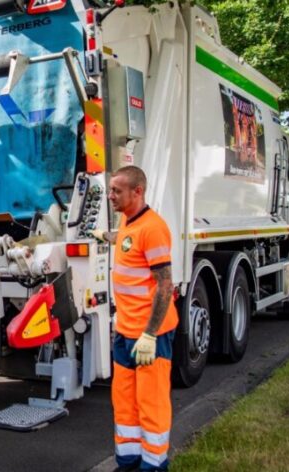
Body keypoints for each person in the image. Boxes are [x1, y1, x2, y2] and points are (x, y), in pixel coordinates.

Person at [94, 166, 178, 471]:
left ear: (137, 192)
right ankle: (128, 460)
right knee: (125, 401)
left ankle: (154, 464)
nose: (110, 196)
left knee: (151, 403)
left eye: (117, 191)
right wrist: (104, 235)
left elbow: (165, 285)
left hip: (148, 335)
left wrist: (150, 335)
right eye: (110, 190)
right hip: (126, 331)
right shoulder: (129, 221)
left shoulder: (154, 228)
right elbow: (126, 239)